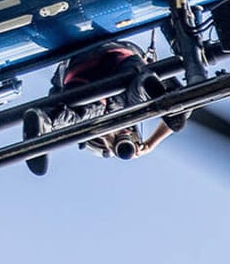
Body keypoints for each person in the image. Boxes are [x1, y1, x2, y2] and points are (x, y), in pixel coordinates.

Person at [22, 40, 175, 175]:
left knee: (87, 116)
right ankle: (153, 89)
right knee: (137, 104)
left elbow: (56, 94)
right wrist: (151, 143)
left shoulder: (93, 119)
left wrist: (104, 133)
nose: (118, 136)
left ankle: (45, 122)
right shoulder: (132, 113)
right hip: (122, 63)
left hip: (84, 76)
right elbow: (181, 115)